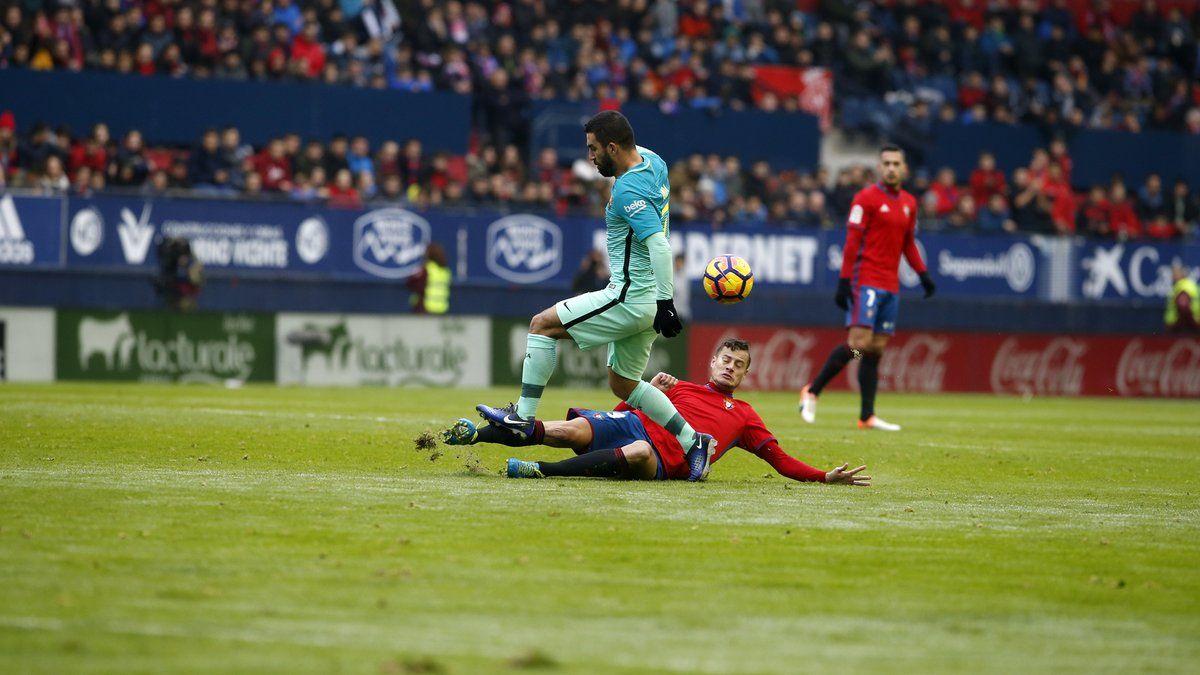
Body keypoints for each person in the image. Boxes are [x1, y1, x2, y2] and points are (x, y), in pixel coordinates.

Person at [474, 110, 716, 481]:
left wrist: (668, 303)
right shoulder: (655, 162)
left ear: (614, 147)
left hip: (630, 296)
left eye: (593, 149)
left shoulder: (628, 191)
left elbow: (659, 245)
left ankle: (523, 417)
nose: (590, 157)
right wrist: (661, 305)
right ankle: (691, 439)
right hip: (647, 300)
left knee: (542, 325)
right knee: (624, 384)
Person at [444, 338, 870, 486]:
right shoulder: (678, 386)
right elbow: (621, 408)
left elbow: (778, 459)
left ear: (744, 375)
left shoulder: (744, 414)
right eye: (725, 359)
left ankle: (539, 470)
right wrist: (636, 395)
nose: (730, 367)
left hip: (666, 460)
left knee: (639, 453)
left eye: (738, 365)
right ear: (712, 362)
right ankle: (474, 434)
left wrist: (823, 476)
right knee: (569, 429)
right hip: (631, 424)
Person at [799, 144, 935, 431]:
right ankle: (812, 391)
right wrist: (845, 281)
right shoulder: (865, 199)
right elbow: (851, 242)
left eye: (896, 163)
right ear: (879, 167)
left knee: (873, 350)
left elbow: (908, 243)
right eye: (886, 163)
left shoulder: (910, 202)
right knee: (858, 344)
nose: (891, 168)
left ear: (904, 169)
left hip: (891, 285)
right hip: (866, 280)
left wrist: (922, 274)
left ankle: (867, 416)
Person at [406, 242, 450, 314]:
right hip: (441, 308)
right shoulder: (445, 271)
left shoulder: (427, 268)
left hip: (425, 308)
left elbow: (411, 282)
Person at [1165, 264, 1199, 333]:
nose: (1172, 276)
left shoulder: (1182, 287)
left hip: (1181, 328)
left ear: (1182, 274)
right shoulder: (1189, 285)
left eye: (1175, 273)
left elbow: (1184, 308)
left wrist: (1179, 327)